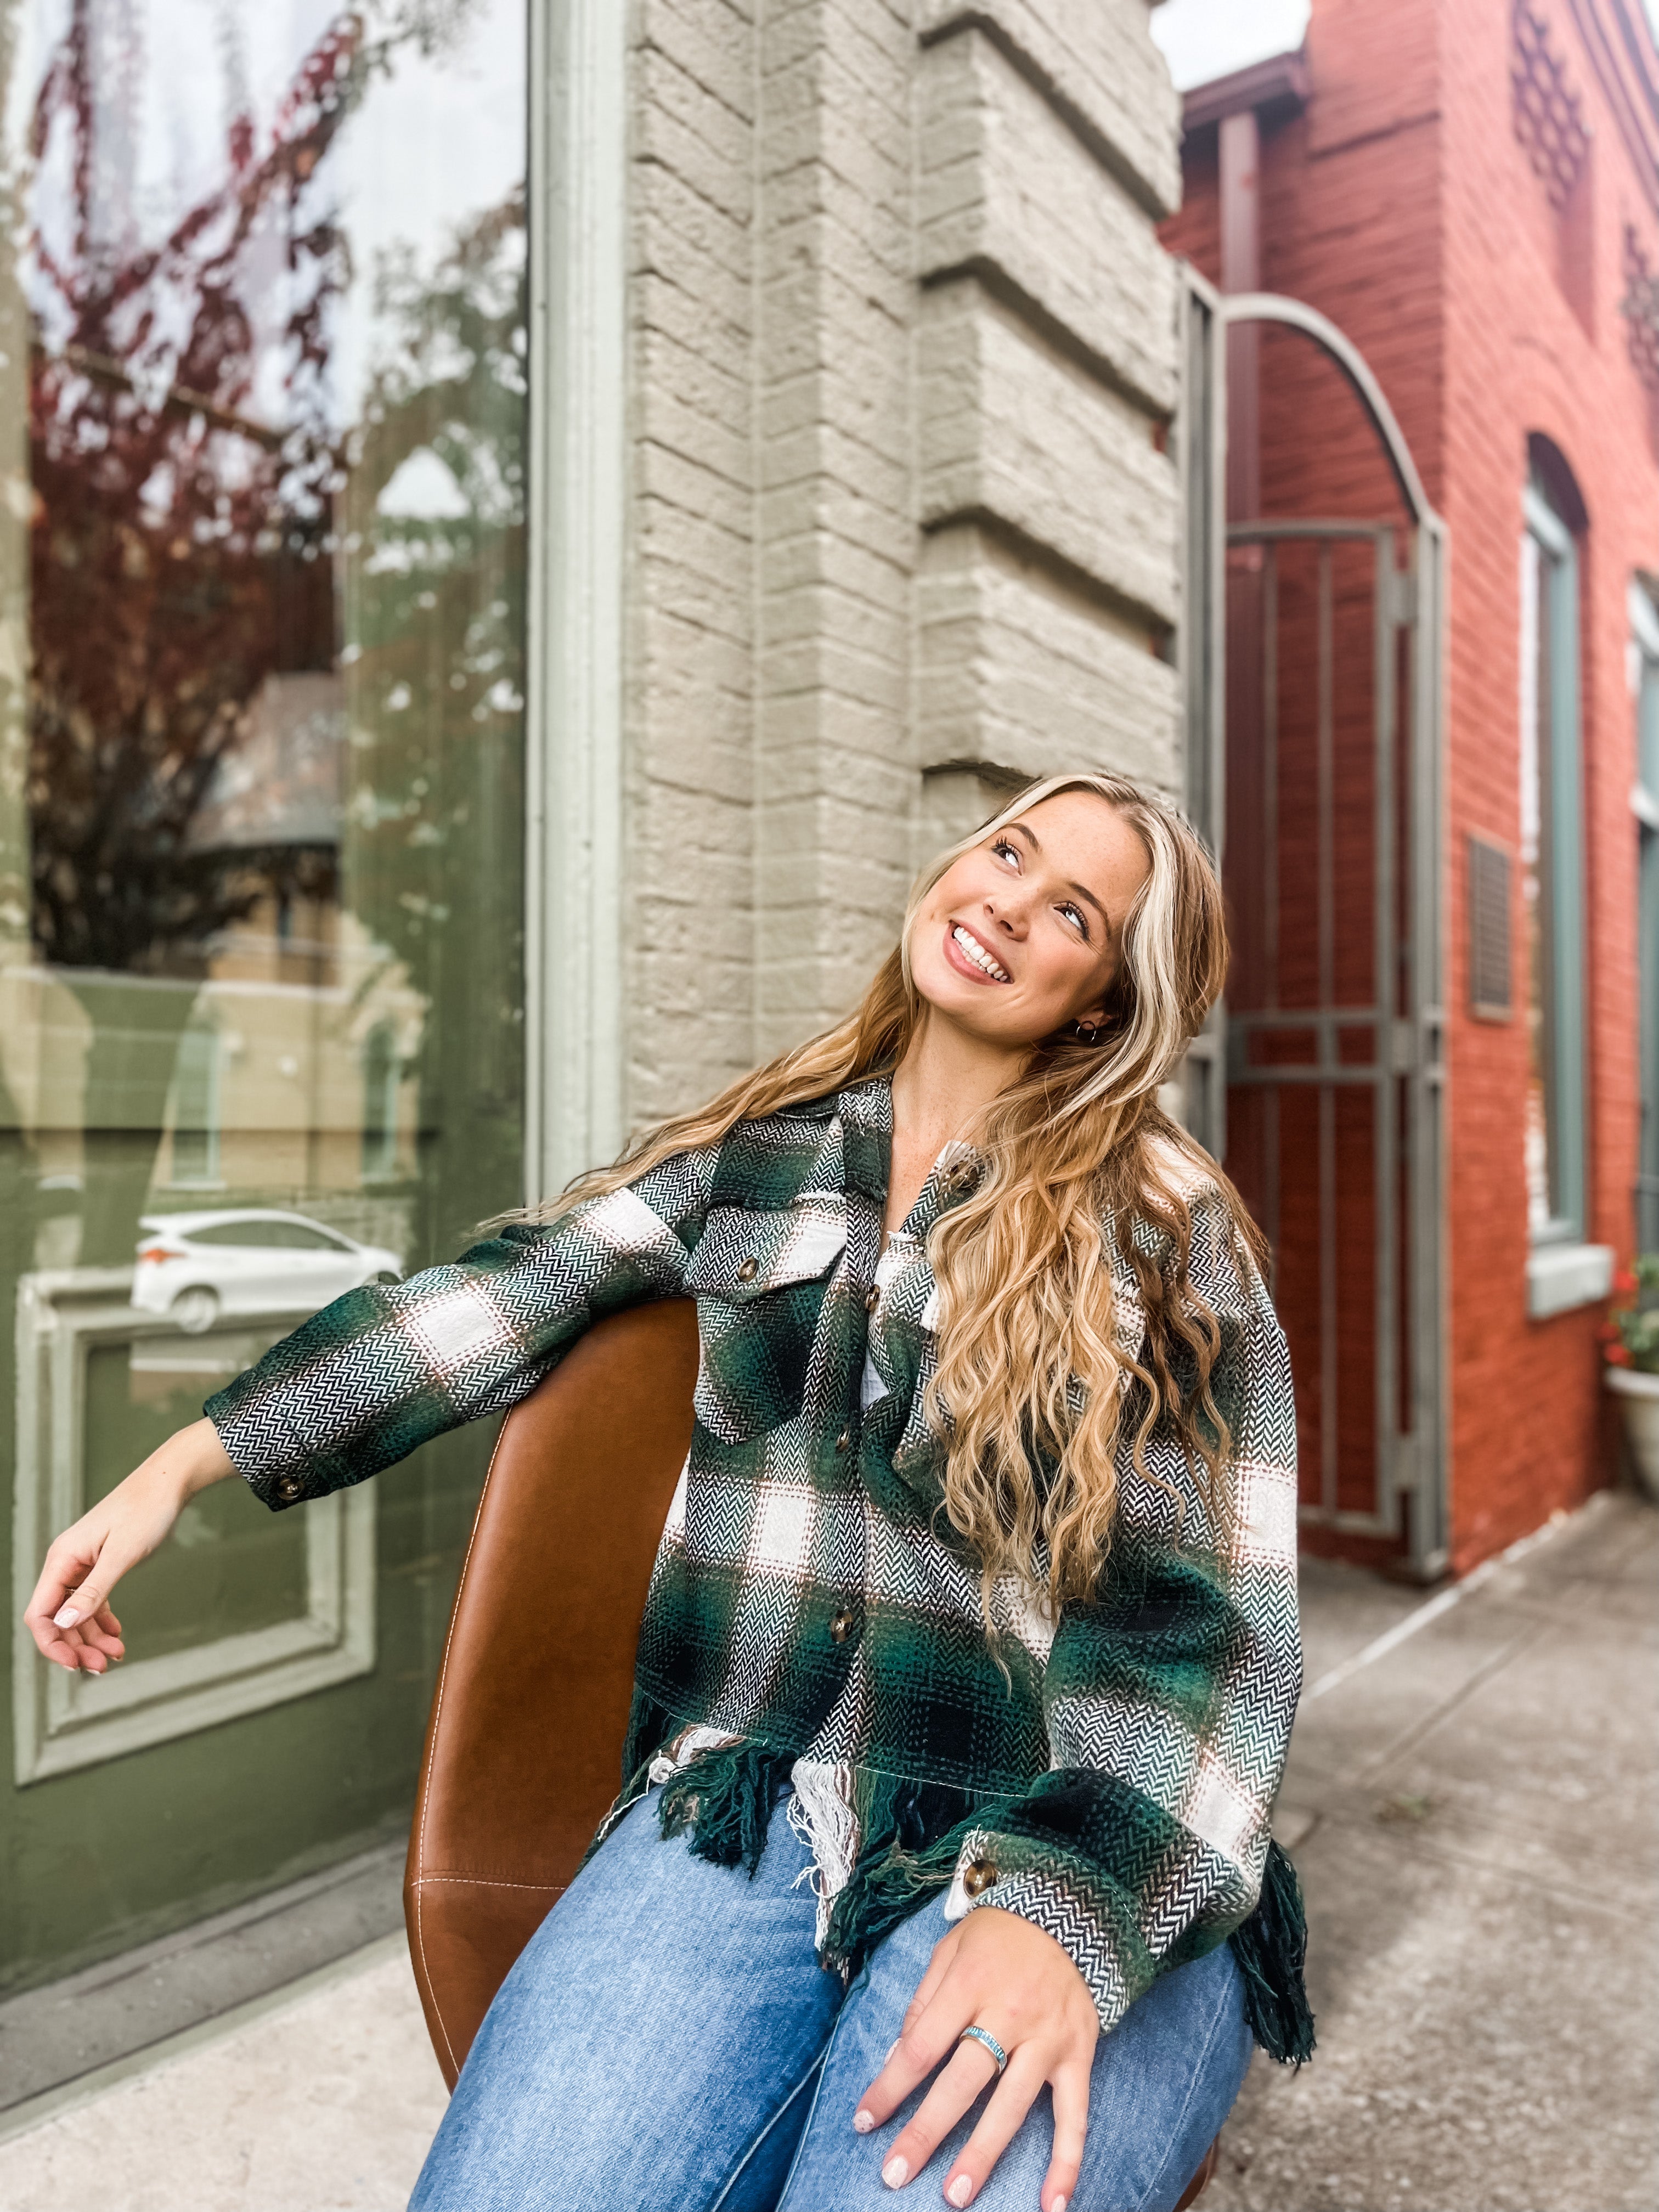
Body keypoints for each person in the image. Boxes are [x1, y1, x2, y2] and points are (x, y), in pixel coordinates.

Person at [26, 772, 1311, 2212]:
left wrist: (1066, 1918)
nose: (1008, 898)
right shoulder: (762, 1156)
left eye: (1070, 907)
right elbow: (505, 1294)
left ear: (1102, 1005)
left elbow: (1218, 1644)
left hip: (1059, 1821)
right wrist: (190, 1459)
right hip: (744, 1796)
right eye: (1006, 851)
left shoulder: (1161, 1230)